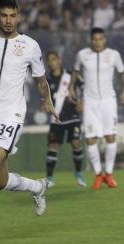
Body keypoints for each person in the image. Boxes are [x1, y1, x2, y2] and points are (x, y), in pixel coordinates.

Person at [0, 0, 58, 215]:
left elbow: (41, 80)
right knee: (1, 180)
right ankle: (38, 187)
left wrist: (48, 99)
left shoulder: (29, 45)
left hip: (10, 115)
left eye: (12, 16)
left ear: (19, 17)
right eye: (4, 15)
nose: (9, 20)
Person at [68, 27, 124, 189]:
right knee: (90, 139)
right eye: (95, 39)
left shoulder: (114, 55)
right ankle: (98, 174)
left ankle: (108, 174)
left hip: (108, 100)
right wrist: (71, 88)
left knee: (110, 136)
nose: (98, 42)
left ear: (105, 39)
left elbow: (123, 72)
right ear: (91, 40)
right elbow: (75, 70)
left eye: (101, 39)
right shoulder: (82, 55)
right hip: (90, 101)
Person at [44, 51, 86, 188]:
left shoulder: (70, 76)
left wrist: (82, 102)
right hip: (57, 118)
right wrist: (44, 104)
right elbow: (44, 97)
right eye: (49, 60)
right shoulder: (47, 80)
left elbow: (85, 87)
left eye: (54, 59)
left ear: (59, 60)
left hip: (73, 116)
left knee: (76, 143)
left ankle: (79, 174)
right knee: (53, 146)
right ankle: (50, 178)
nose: (51, 62)